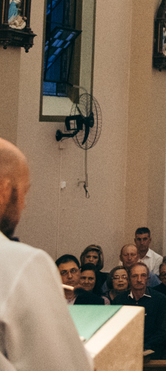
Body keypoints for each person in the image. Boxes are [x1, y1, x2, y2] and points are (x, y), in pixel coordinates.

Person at [0, 141, 93, 369]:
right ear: (3, 190)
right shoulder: (21, 263)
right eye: (23, 192)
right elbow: (61, 365)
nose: (23, 205)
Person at [113, 262, 166, 355]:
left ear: (148, 279)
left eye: (143, 276)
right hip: (125, 351)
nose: (139, 280)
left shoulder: (159, 299)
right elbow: (116, 330)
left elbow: (161, 332)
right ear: (129, 279)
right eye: (135, 276)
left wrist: (144, 348)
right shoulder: (119, 301)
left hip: (152, 352)